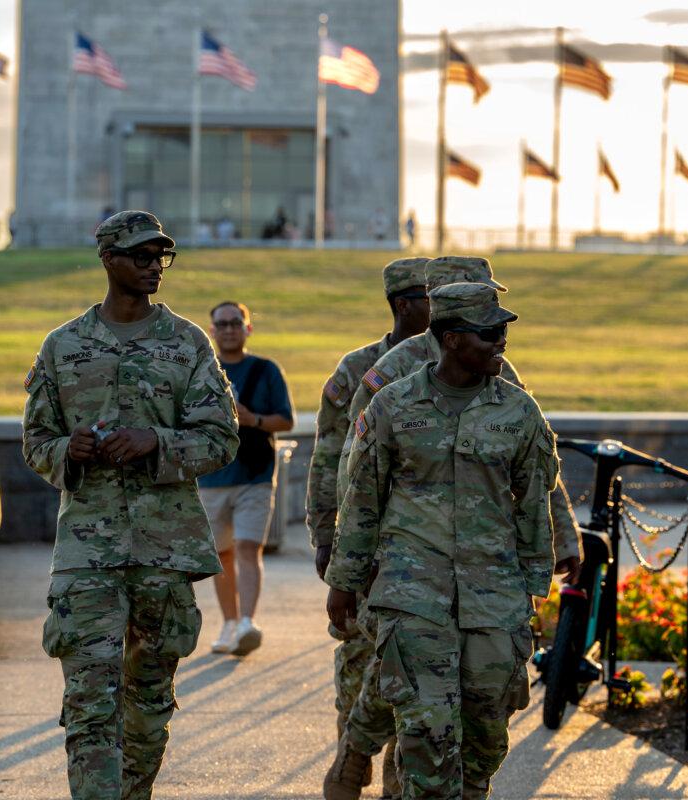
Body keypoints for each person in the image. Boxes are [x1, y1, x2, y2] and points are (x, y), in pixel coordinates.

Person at [324, 257, 581, 800]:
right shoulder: (391, 390)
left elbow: (537, 492)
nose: (501, 339)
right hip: (410, 586)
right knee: (426, 728)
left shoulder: (514, 404)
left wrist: (545, 569)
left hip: (493, 593)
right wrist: (344, 572)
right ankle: (367, 759)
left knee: (485, 732)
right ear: (452, 332)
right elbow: (354, 482)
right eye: (489, 328)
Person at [22, 209, 238, 799]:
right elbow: (36, 443)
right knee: (89, 703)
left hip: (165, 554)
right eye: (141, 256)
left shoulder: (187, 343)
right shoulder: (63, 346)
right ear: (108, 259)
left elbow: (221, 438)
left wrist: (156, 442)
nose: (153, 267)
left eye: (160, 257)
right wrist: (69, 450)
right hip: (87, 556)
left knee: (147, 705)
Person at [305, 256, 428, 793]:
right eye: (430, 298)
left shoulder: (466, 363)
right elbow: (329, 455)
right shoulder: (359, 370)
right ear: (404, 305)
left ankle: (400, 782)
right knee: (359, 663)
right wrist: (325, 535)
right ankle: (350, 763)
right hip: (366, 548)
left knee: (417, 675)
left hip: (421, 549)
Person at [199, 301, 294, 656]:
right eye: (222, 324)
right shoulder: (202, 372)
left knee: (247, 548)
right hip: (210, 478)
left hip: (255, 477)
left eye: (235, 323)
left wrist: (252, 419)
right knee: (221, 553)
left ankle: (246, 623)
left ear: (247, 328)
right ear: (212, 331)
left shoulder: (266, 370)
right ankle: (229, 622)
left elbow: (285, 420)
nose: (229, 329)